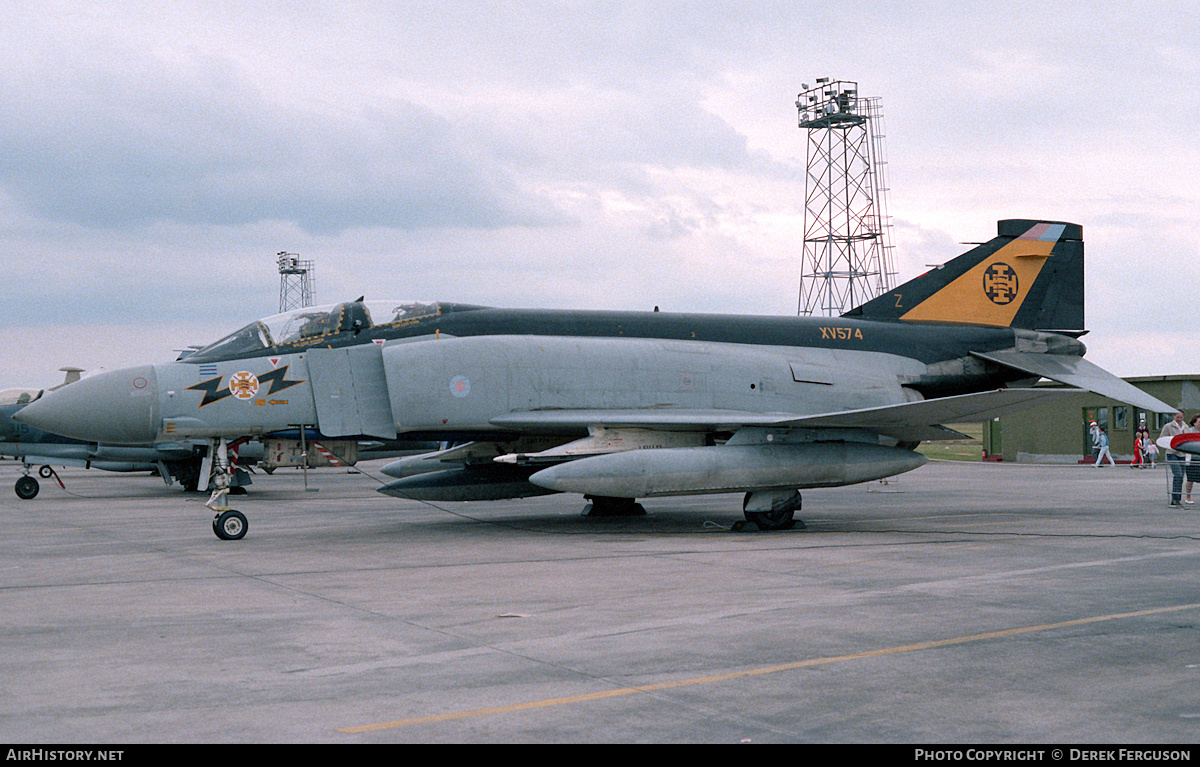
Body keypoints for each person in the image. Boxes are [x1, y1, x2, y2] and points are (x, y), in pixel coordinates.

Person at [1160, 412, 1188, 507]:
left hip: (1182, 453)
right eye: (1177, 417)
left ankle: (1178, 498)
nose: (1179, 419)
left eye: (1181, 417)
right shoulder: (1168, 426)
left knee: (1181, 476)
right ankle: (1175, 498)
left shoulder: (1185, 426)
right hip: (1172, 453)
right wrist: (1172, 443)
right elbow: (1162, 438)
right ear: (1174, 416)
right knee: (1178, 474)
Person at [1185, 415, 1200, 505]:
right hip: (1192, 459)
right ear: (1194, 423)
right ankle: (1188, 496)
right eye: (1199, 422)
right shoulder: (1190, 431)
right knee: (1190, 479)